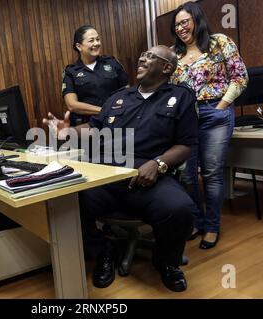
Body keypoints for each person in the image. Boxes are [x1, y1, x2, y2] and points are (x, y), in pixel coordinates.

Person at [44, 45, 199, 292]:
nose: (142, 58)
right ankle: (103, 251)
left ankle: (166, 263)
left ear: (167, 68)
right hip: (106, 177)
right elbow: (95, 127)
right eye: (142, 55)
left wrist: (159, 163)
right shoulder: (118, 97)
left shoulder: (181, 97)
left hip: (148, 178)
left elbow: (186, 144)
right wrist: (67, 131)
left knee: (180, 209)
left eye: (150, 56)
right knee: (64, 202)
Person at [169, 1, 248, 249]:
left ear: (196, 19)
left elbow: (240, 76)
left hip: (215, 112)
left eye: (185, 22)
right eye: (177, 25)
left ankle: (212, 226)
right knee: (186, 173)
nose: (181, 28)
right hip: (186, 119)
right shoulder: (174, 54)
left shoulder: (219, 42)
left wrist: (222, 106)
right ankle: (197, 220)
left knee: (212, 173)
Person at [62, 25, 128, 126]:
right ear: (79, 46)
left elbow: (127, 90)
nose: (96, 43)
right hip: (87, 127)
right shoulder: (71, 71)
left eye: (98, 39)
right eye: (91, 40)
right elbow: (72, 105)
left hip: (115, 122)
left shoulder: (111, 63)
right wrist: (104, 111)